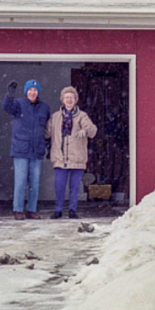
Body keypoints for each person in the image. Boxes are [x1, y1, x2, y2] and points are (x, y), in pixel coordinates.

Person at [45, 86, 98, 219]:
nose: (69, 100)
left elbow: (93, 130)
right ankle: (58, 210)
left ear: (75, 100)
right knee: (59, 186)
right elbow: (46, 133)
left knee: (75, 188)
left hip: (77, 158)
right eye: (66, 97)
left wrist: (85, 131)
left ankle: (72, 210)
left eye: (71, 97)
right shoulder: (55, 117)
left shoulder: (82, 116)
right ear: (62, 99)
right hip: (60, 158)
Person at [2, 78, 50, 220]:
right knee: (21, 181)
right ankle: (18, 210)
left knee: (34, 183)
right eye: (30, 90)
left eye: (35, 90)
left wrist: (48, 145)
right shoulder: (18, 104)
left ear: (38, 92)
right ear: (26, 92)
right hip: (21, 150)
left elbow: (46, 128)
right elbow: (7, 107)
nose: (33, 92)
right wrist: (10, 95)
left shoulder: (44, 108)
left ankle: (31, 210)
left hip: (37, 150)